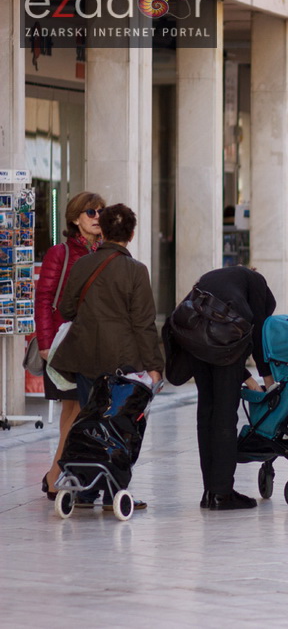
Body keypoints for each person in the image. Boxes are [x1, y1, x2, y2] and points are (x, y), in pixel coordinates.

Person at [50, 204, 163, 509]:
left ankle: (86, 490)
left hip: (86, 356)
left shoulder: (84, 265)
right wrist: (154, 366)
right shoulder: (136, 270)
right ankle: (114, 492)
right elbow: (143, 323)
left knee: (89, 420)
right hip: (123, 362)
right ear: (132, 234)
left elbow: (66, 309)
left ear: (103, 230)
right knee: (119, 425)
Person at [165, 266, 277, 511]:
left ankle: (210, 492)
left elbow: (213, 333)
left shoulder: (217, 277)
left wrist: (248, 379)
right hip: (222, 340)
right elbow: (255, 332)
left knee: (207, 414)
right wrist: (268, 380)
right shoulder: (257, 282)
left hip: (197, 341)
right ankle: (222, 494)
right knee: (225, 418)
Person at [36, 191, 106, 500]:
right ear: (75, 218)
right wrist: (45, 344)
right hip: (65, 345)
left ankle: (57, 476)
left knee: (75, 412)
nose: (97, 217)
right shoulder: (60, 253)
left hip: (96, 345)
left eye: (101, 212)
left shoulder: (107, 251)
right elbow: (43, 299)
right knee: (76, 411)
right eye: (91, 212)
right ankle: (55, 477)